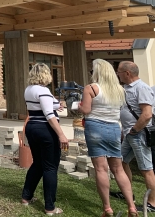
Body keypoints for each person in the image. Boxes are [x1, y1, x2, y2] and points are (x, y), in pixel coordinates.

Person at [78, 59, 137, 217]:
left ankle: (107, 208)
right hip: (114, 128)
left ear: (97, 72)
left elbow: (86, 109)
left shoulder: (91, 88)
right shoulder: (120, 90)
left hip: (95, 127)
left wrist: (78, 106)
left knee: (101, 169)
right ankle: (131, 206)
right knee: (118, 169)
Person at [21, 63, 69, 216]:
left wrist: (56, 104)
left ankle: (26, 197)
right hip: (46, 130)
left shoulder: (29, 89)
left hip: (32, 128)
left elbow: (41, 106)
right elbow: (48, 113)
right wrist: (61, 134)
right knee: (50, 167)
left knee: (38, 163)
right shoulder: (43, 91)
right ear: (45, 75)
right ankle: (50, 207)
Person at [116, 61, 155, 212]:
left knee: (146, 169)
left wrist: (135, 129)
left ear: (127, 73)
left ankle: (152, 203)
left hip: (139, 135)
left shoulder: (142, 88)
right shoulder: (127, 88)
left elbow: (147, 114)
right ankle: (128, 193)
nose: (117, 74)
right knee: (120, 162)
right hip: (130, 135)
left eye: (119, 72)